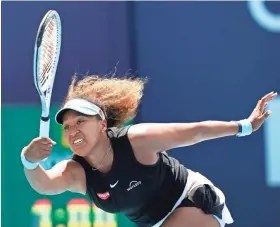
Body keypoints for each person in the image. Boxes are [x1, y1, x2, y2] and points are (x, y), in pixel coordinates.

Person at [21, 75, 277, 227]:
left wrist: (245, 126)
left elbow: (195, 131)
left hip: (190, 199)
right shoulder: (76, 172)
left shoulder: (137, 140)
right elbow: (44, 184)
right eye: (67, 127)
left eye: (80, 122)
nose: (73, 130)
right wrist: (29, 160)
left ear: (101, 125)